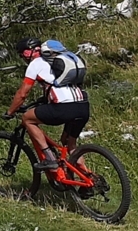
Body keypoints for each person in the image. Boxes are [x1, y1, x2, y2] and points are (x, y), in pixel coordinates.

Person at [5, 36, 89, 171]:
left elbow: (23, 93)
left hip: (63, 107)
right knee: (69, 144)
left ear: (28, 52)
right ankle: (89, 179)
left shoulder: (36, 63)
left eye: (22, 54)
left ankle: (49, 158)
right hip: (83, 106)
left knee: (27, 119)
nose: (23, 58)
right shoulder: (58, 60)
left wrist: (10, 112)